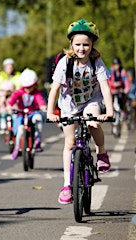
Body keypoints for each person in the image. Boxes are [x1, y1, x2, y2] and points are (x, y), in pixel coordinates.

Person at [47, 18, 113, 205]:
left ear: (92, 44)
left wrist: (108, 111)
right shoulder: (65, 63)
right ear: (71, 44)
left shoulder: (96, 62)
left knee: (93, 122)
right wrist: (50, 112)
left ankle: (101, 152)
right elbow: (55, 89)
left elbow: (105, 89)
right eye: (78, 44)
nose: (82, 48)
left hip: (91, 101)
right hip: (69, 105)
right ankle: (67, 185)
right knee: (70, 142)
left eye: (86, 44)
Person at [6, 69, 47, 159]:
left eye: (30, 86)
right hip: (21, 114)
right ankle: (17, 148)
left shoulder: (36, 93)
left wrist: (43, 106)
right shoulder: (19, 92)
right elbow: (12, 100)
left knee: (38, 118)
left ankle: (38, 140)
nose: (28, 89)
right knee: (20, 130)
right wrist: (9, 107)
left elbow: (40, 101)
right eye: (26, 87)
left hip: (32, 113)